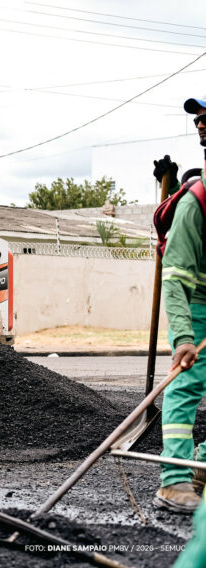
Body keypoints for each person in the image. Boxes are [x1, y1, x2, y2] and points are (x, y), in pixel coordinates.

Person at [153, 95, 206, 518]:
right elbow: (175, 278)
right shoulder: (196, 202)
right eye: (198, 119)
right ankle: (174, 479)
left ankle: (201, 464)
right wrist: (185, 337)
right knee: (186, 386)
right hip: (198, 307)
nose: (200, 124)